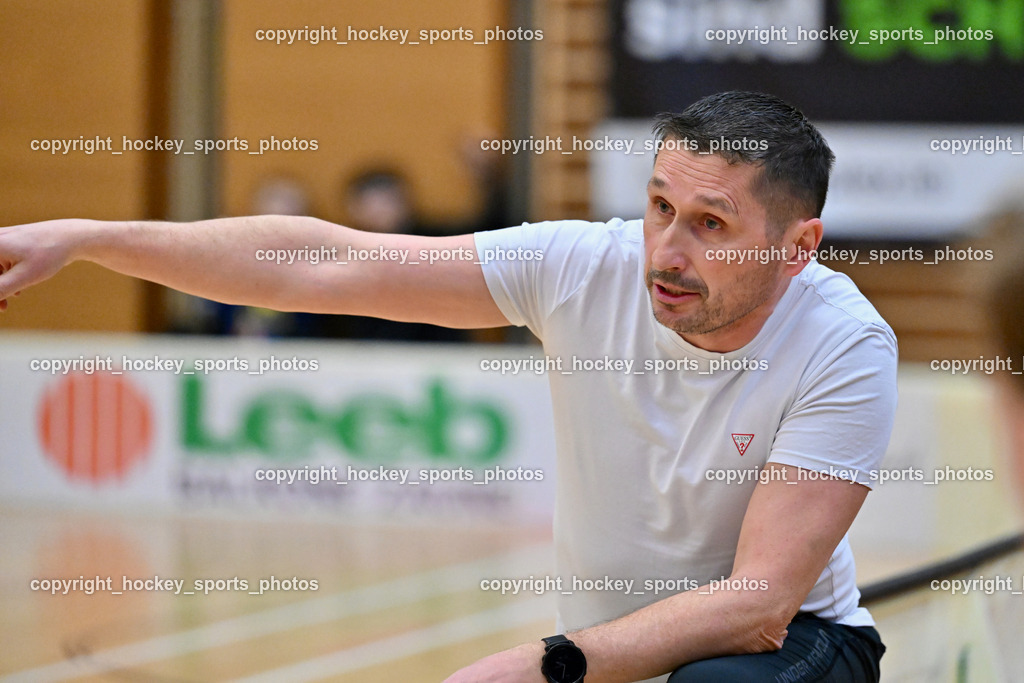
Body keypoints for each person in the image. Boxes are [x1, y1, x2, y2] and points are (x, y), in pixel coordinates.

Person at [0, 91, 895, 682]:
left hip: (791, 647)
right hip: (605, 649)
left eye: (710, 224)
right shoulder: (582, 265)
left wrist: (545, 662)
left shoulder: (845, 343)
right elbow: (317, 264)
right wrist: (88, 234)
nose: (665, 250)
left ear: (796, 246)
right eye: (660, 206)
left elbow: (758, 606)